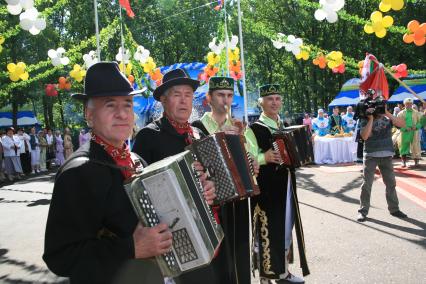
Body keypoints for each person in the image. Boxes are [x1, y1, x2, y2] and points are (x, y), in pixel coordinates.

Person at [44, 62, 189, 283]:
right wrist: (131, 248)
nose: (122, 114)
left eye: (128, 104)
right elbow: (60, 256)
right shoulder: (79, 172)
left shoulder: (136, 160)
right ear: (89, 115)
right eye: (110, 105)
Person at [133, 68, 220, 284]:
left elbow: (215, 178)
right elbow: (137, 193)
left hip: (209, 231)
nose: (184, 101)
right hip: (173, 237)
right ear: (163, 99)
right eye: (176, 95)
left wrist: (211, 187)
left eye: (188, 95)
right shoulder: (149, 136)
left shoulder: (199, 133)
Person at [245, 84, 308, 284]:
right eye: (269, 99)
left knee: (285, 228)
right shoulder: (254, 128)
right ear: (260, 103)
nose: (274, 102)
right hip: (266, 189)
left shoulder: (284, 124)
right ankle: (266, 276)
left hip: (287, 186)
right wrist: (265, 157)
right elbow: (249, 157)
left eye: (277, 98)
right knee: (267, 230)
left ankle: (283, 272)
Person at [191, 76, 252, 284]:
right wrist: (221, 135)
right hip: (215, 201)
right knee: (220, 258)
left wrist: (244, 145)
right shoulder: (197, 127)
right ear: (209, 98)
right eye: (220, 95)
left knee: (241, 251)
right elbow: (199, 159)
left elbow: (251, 160)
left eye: (229, 95)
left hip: (239, 200)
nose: (225, 100)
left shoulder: (239, 126)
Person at [357, 89, 407, 222]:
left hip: (386, 154)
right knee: (366, 184)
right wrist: (371, 119)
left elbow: (402, 124)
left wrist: (387, 113)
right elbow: (365, 136)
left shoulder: (387, 117)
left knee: (391, 183)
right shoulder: (364, 119)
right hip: (371, 155)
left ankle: (394, 209)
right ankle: (363, 211)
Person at [397, 98, 422, 167]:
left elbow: (421, 122)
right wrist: (404, 128)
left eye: (410, 104)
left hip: (414, 132)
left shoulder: (416, 112)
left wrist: (416, 127)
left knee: (415, 146)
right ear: (404, 104)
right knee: (403, 146)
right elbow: (397, 123)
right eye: (407, 104)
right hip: (404, 133)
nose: (409, 105)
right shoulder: (400, 113)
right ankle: (403, 162)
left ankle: (416, 161)